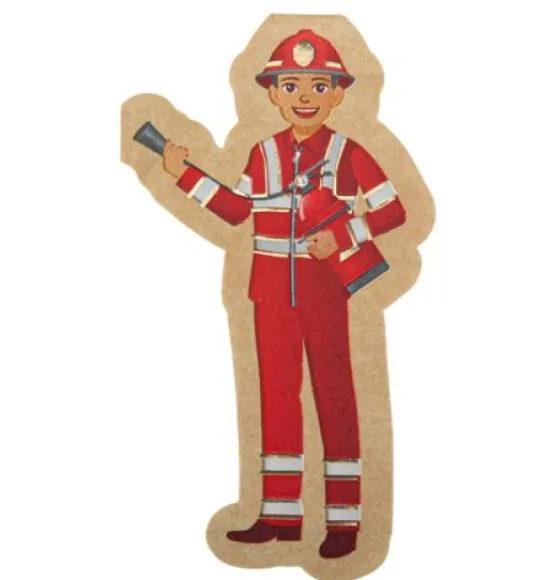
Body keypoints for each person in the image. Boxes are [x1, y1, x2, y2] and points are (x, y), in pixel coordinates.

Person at [161, 29, 406, 559]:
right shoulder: (262, 153)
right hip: (270, 295)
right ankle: (279, 516)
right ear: (273, 93)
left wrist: (344, 233)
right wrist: (184, 175)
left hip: (327, 293)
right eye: (291, 85)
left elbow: (393, 210)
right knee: (275, 400)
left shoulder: (349, 153)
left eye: (318, 86)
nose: (304, 97)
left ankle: (344, 521)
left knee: (335, 397)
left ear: (337, 94)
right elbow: (236, 210)